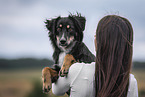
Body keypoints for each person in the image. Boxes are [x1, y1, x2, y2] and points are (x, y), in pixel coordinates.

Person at [52, 15, 138, 97]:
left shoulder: (77, 70)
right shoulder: (131, 82)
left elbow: (56, 90)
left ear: (98, 42)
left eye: (96, 36)